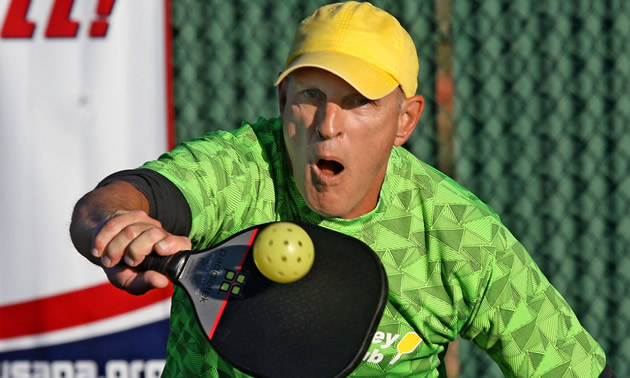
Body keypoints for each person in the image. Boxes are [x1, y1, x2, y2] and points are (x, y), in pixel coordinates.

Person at [70, 2, 614, 377]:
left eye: (359, 102)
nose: (328, 124)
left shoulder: (457, 234)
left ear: (405, 122)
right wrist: (119, 225)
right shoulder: (243, 169)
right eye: (310, 94)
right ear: (283, 104)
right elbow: (119, 198)